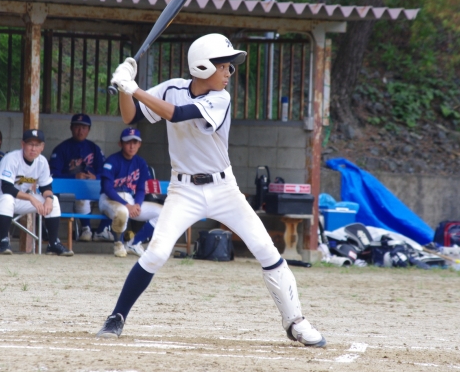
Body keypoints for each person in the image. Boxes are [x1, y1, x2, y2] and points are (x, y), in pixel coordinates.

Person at [95, 34, 327, 348]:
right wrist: (125, 88)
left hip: (224, 189)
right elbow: (129, 115)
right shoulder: (171, 88)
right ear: (203, 66)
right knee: (157, 253)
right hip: (183, 190)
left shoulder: (221, 98)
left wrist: (134, 88)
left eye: (229, 66)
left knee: (265, 249)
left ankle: (295, 322)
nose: (229, 72)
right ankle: (117, 316)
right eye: (224, 66)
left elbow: (177, 114)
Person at [0, 128, 73, 256]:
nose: (33, 148)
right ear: (23, 144)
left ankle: (53, 243)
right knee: (7, 199)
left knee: (53, 200)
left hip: (20, 198)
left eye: (37, 145)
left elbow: (46, 187)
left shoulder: (42, 162)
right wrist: (31, 198)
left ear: (42, 147)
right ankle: (4, 241)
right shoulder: (11, 158)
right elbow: (7, 188)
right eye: (30, 144)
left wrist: (48, 199)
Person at [99, 127, 161, 257]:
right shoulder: (112, 160)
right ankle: (118, 244)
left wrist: (137, 204)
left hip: (131, 200)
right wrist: (127, 205)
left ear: (139, 144)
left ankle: (134, 243)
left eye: (135, 142)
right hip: (109, 199)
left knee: (163, 213)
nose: (132, 146)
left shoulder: (141, 163)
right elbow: (108, 188)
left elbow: (141, 188)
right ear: (120, 144)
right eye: (128, 142)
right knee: (123, 211)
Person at [49, 113, 108, 242]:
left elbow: (105, 171)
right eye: (77, 127)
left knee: (114, 197)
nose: (80, 131)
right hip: (70, 189)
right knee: (82, 197)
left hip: (93, 188)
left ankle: (101, 230)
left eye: (84, 127)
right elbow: (53, 175)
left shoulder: (94, 148)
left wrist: (95, 177)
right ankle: (86, 229)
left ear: (89, 130)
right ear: (71, 128)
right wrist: (74, 177)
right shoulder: (61, 149)